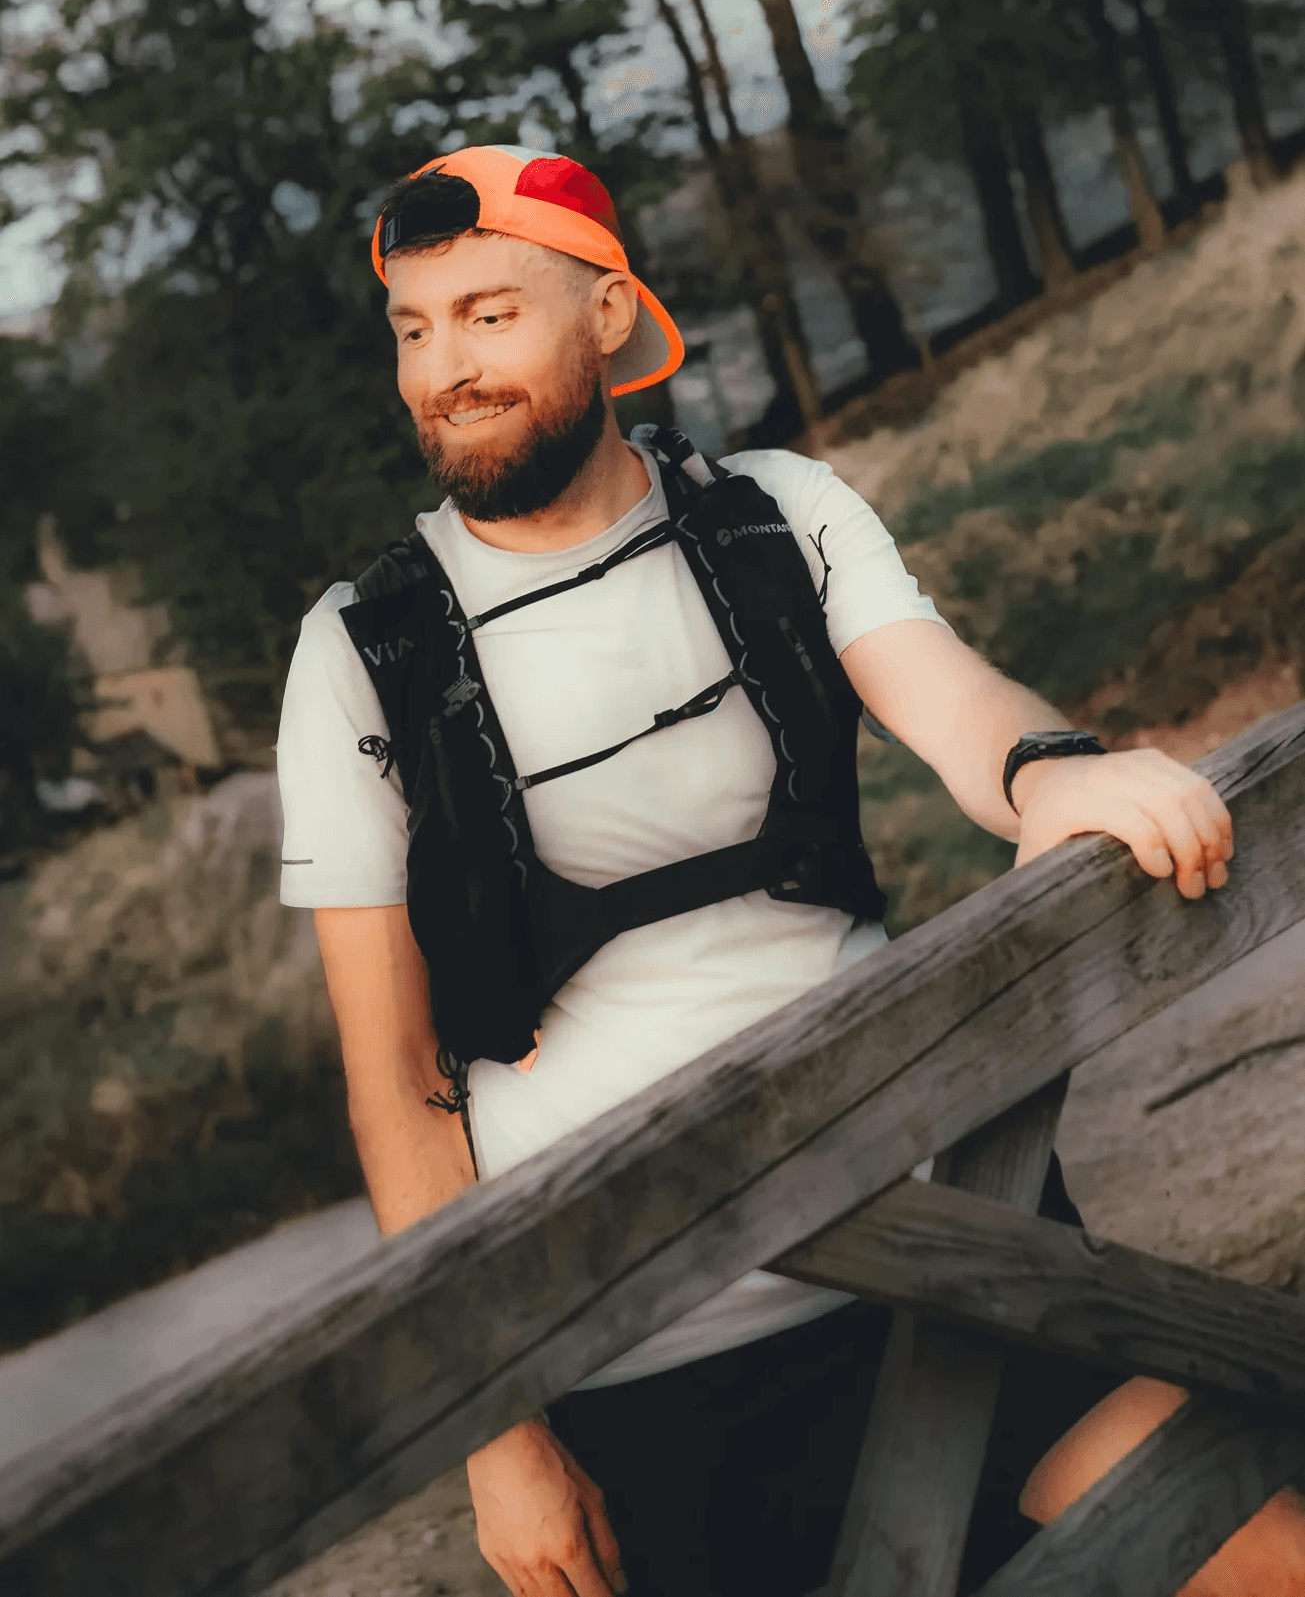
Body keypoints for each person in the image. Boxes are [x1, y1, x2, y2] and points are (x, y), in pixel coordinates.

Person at [275, 146, 1296, 1597]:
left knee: (1265, 1555)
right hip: (649, 1365)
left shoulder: (778, 517)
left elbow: (956, 708)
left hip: (962, 1265)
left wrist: (1046, 767)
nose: (447, 367)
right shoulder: (359, 654)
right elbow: (397, 1087)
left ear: (610, 313)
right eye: (416, 330)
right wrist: (495, 1441)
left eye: (492, 313)